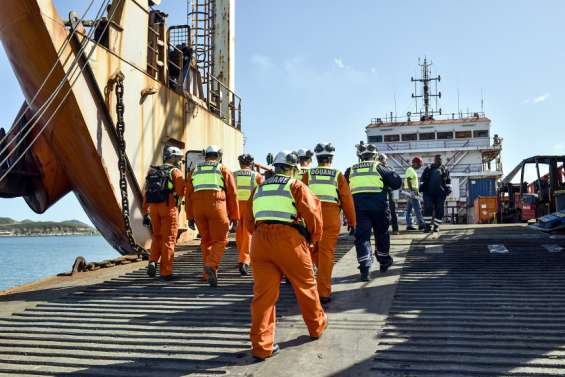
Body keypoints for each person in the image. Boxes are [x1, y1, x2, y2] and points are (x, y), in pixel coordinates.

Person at [245, 150, 327, 361]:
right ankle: (316, 327)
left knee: (263, 296)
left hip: (260, 241)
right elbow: (313, 216)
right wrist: (312, 239)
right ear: (292, 168)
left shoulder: (259, 189)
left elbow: (248, 220)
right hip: (289, 240)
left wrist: (262, 236)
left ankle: (262, 346)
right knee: (306, 285)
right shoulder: (295, 186)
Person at [303, 142, 356, 304]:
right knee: (326, 253)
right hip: (331, 216)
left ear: (317, 158)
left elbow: (300, 197)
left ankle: (318, 282)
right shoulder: (337, 174)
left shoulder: (309, 174)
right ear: (331, 157)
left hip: (311, 215)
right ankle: (324, 291)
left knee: (312, 249)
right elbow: (347, 199)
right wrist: (352, 220)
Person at [345, 141, 402, 281]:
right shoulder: (379, 167)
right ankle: (384, 261)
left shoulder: (351, 169)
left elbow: (343, 189)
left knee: (362, 237)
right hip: (379, 206)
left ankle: (365, 267)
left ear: (361, 156)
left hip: (359, 208)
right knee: (381, 233)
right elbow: (397, 183)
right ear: (375, 155)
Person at [185, 145, 239, 287]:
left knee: (206, 240)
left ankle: (206, 273)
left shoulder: (194, 170)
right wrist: (234, 216)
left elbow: (188, 195)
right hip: (217, 207)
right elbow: (232, 194)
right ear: (218, 155)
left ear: (205, 155)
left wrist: (189, 216)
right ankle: (211, 264)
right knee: (221, 240)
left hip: (198, 209)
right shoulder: (222, 169)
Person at [143, 146, 186, 280]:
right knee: (169, 239)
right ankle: (166, 272)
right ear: (172, 157)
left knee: (157, 236)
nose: (179, 161)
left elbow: (146, 194)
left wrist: (145, 212)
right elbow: (181, 192)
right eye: (178, 158)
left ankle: (152, 261)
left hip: (153, 208)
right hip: (169, 208)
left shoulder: (153, 172)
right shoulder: (175, 172)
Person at [234, 154, 264, 276]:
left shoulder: (233, 174)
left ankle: (242, 256)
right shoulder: (257, 176)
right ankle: (244, 260)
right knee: (248, 234)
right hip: (250, 206)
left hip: (236, 206)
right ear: (251, 164)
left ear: (240, 163)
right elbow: (262, 192)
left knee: (239, 233)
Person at [420, 154, 451, 234]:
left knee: (440, 210)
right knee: (428, 208)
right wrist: (421, 188)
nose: (439, 160)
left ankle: (436, 226)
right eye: (437, 159)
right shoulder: (428, 168)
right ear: (434, 160)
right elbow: (422, 179)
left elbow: (448, 181)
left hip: (440, 194)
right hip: (428, 193)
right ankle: (427, 226)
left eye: (440, 159)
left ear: (442, 160)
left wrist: (448, 189)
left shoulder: (445, 169)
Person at [378, 153, 399, 235]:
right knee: (381, 212)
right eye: (380, 159)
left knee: (393, 211)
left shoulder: (391, 168)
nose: (382, 160)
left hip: (390, 191)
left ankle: (395, 229)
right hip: (380, 192)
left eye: (383, 159)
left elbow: (394, 179)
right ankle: (383, 230)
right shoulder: (377, 169)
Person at [404, 156, 425, 231]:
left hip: (411, 191)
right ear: (415, 163)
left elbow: (409, 181)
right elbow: (409, 180)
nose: (419, 167)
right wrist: (412, 191)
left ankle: (409, 225)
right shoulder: (410, 170)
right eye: (419, 165)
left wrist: (417, 192)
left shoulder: (411, 170)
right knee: (417, 208)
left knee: (409, 209)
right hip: (412, 191)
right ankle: (421, 224)